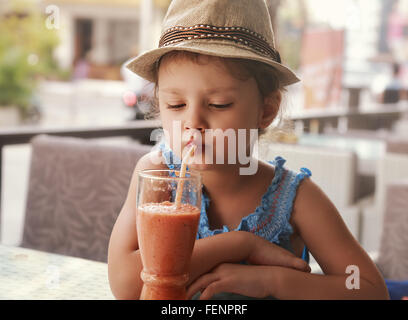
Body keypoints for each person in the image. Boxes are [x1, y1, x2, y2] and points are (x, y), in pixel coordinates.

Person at [108, 0, 389, 300]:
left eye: (218, 105)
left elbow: (367, 288)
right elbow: (126, 285)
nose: (192, 123)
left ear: (266, 110)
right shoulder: (157, 176)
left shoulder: (293, 198)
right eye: (175, 105)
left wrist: (272, 282)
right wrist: (240, 245)